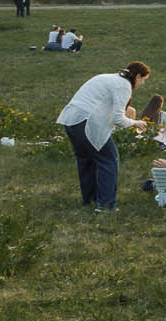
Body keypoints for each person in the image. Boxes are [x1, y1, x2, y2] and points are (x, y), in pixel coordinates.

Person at [56, 60, 151, 212]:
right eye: (144, 80)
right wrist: (135, 123)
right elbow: (117, 119)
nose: (143, 84)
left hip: (70, 120)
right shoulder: (123, 85)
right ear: (138, 76)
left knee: (86, 160)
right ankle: (106, 205)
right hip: (86, 123)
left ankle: (90, 200)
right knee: (109, 160)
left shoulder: (108, 77)